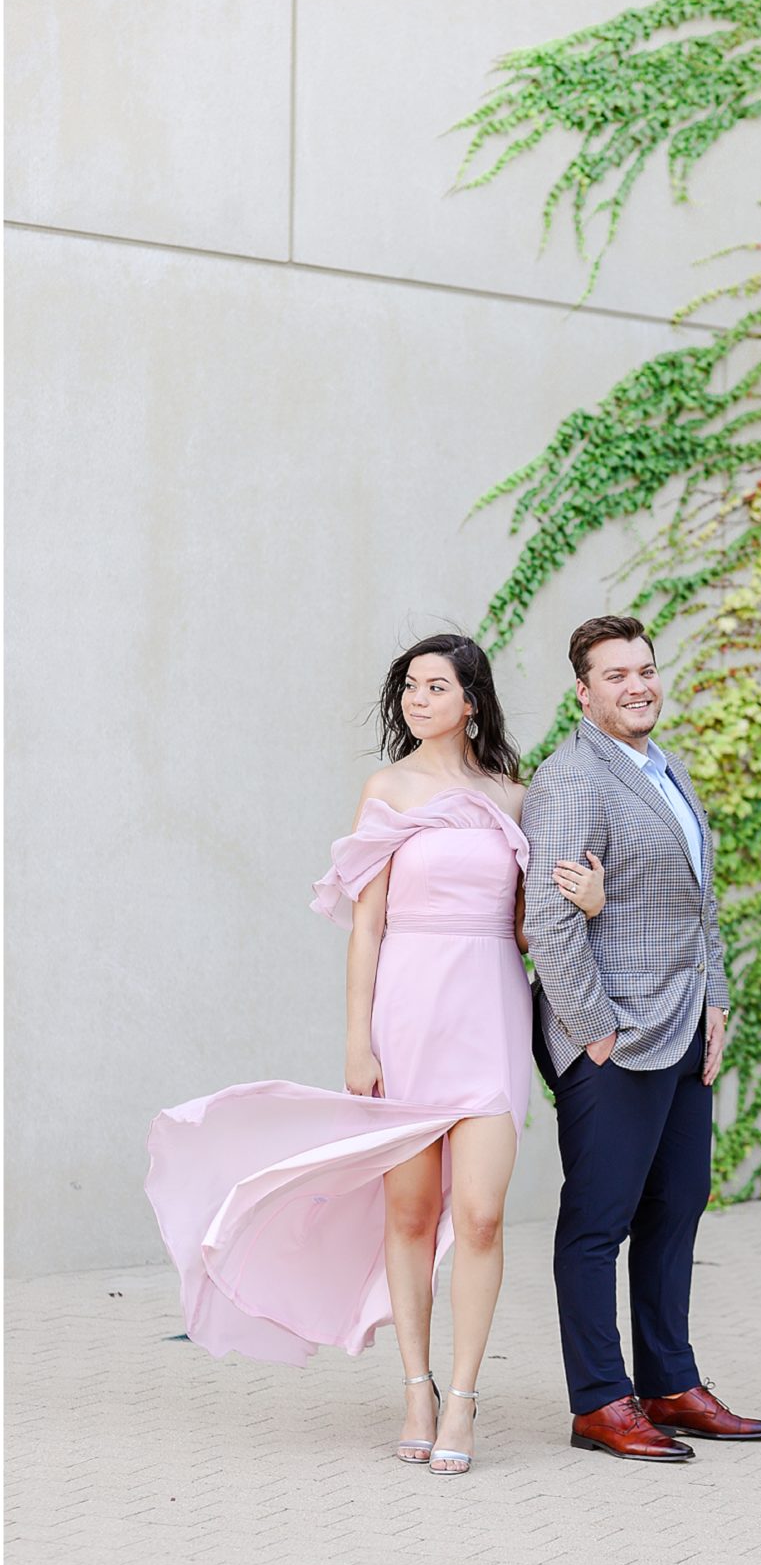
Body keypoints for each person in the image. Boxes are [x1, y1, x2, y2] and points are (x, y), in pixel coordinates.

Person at [146, 633, 604, 1477]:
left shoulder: (514, 797)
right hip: (407, 1014)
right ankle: (417, 1388)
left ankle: (465, 1395)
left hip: (490, 1011)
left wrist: (590, 902)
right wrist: (357, 1039)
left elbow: (523, 927)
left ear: (472, 701)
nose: (417, 699)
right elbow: (366, 927)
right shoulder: (386, 790)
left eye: (436, 686)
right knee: (408, 1214)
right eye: (409, 687)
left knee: (480, 1216)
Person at [520, 614, 761, 1461]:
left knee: (675, 1210)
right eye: (616, 674)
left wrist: (717, 999)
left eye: (645, 669)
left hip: (683, 1026)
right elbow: (548, 924)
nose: (638, 685)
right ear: (583, 692)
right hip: (616, 1037)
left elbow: (700, 901)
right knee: (598, 1221)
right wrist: (594, 1034)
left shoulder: (664, 770)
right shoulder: (569, 782)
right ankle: (599, 1401)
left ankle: (670, 1383)